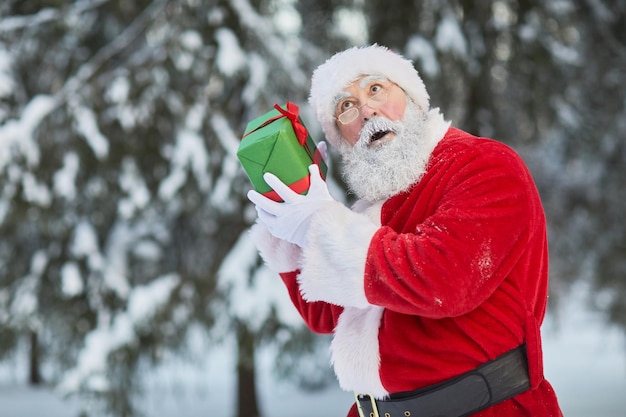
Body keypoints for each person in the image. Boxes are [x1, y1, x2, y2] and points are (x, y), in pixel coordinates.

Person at [247, 44, 563, 417]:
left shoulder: (485, 165)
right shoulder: (371, 209)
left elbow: (445, 278)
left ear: (411, 97)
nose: (366, 111)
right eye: (345, 107)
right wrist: (289, 222)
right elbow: (325, 315)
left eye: (376, 89)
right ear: (341, 138)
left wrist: (321, 223)